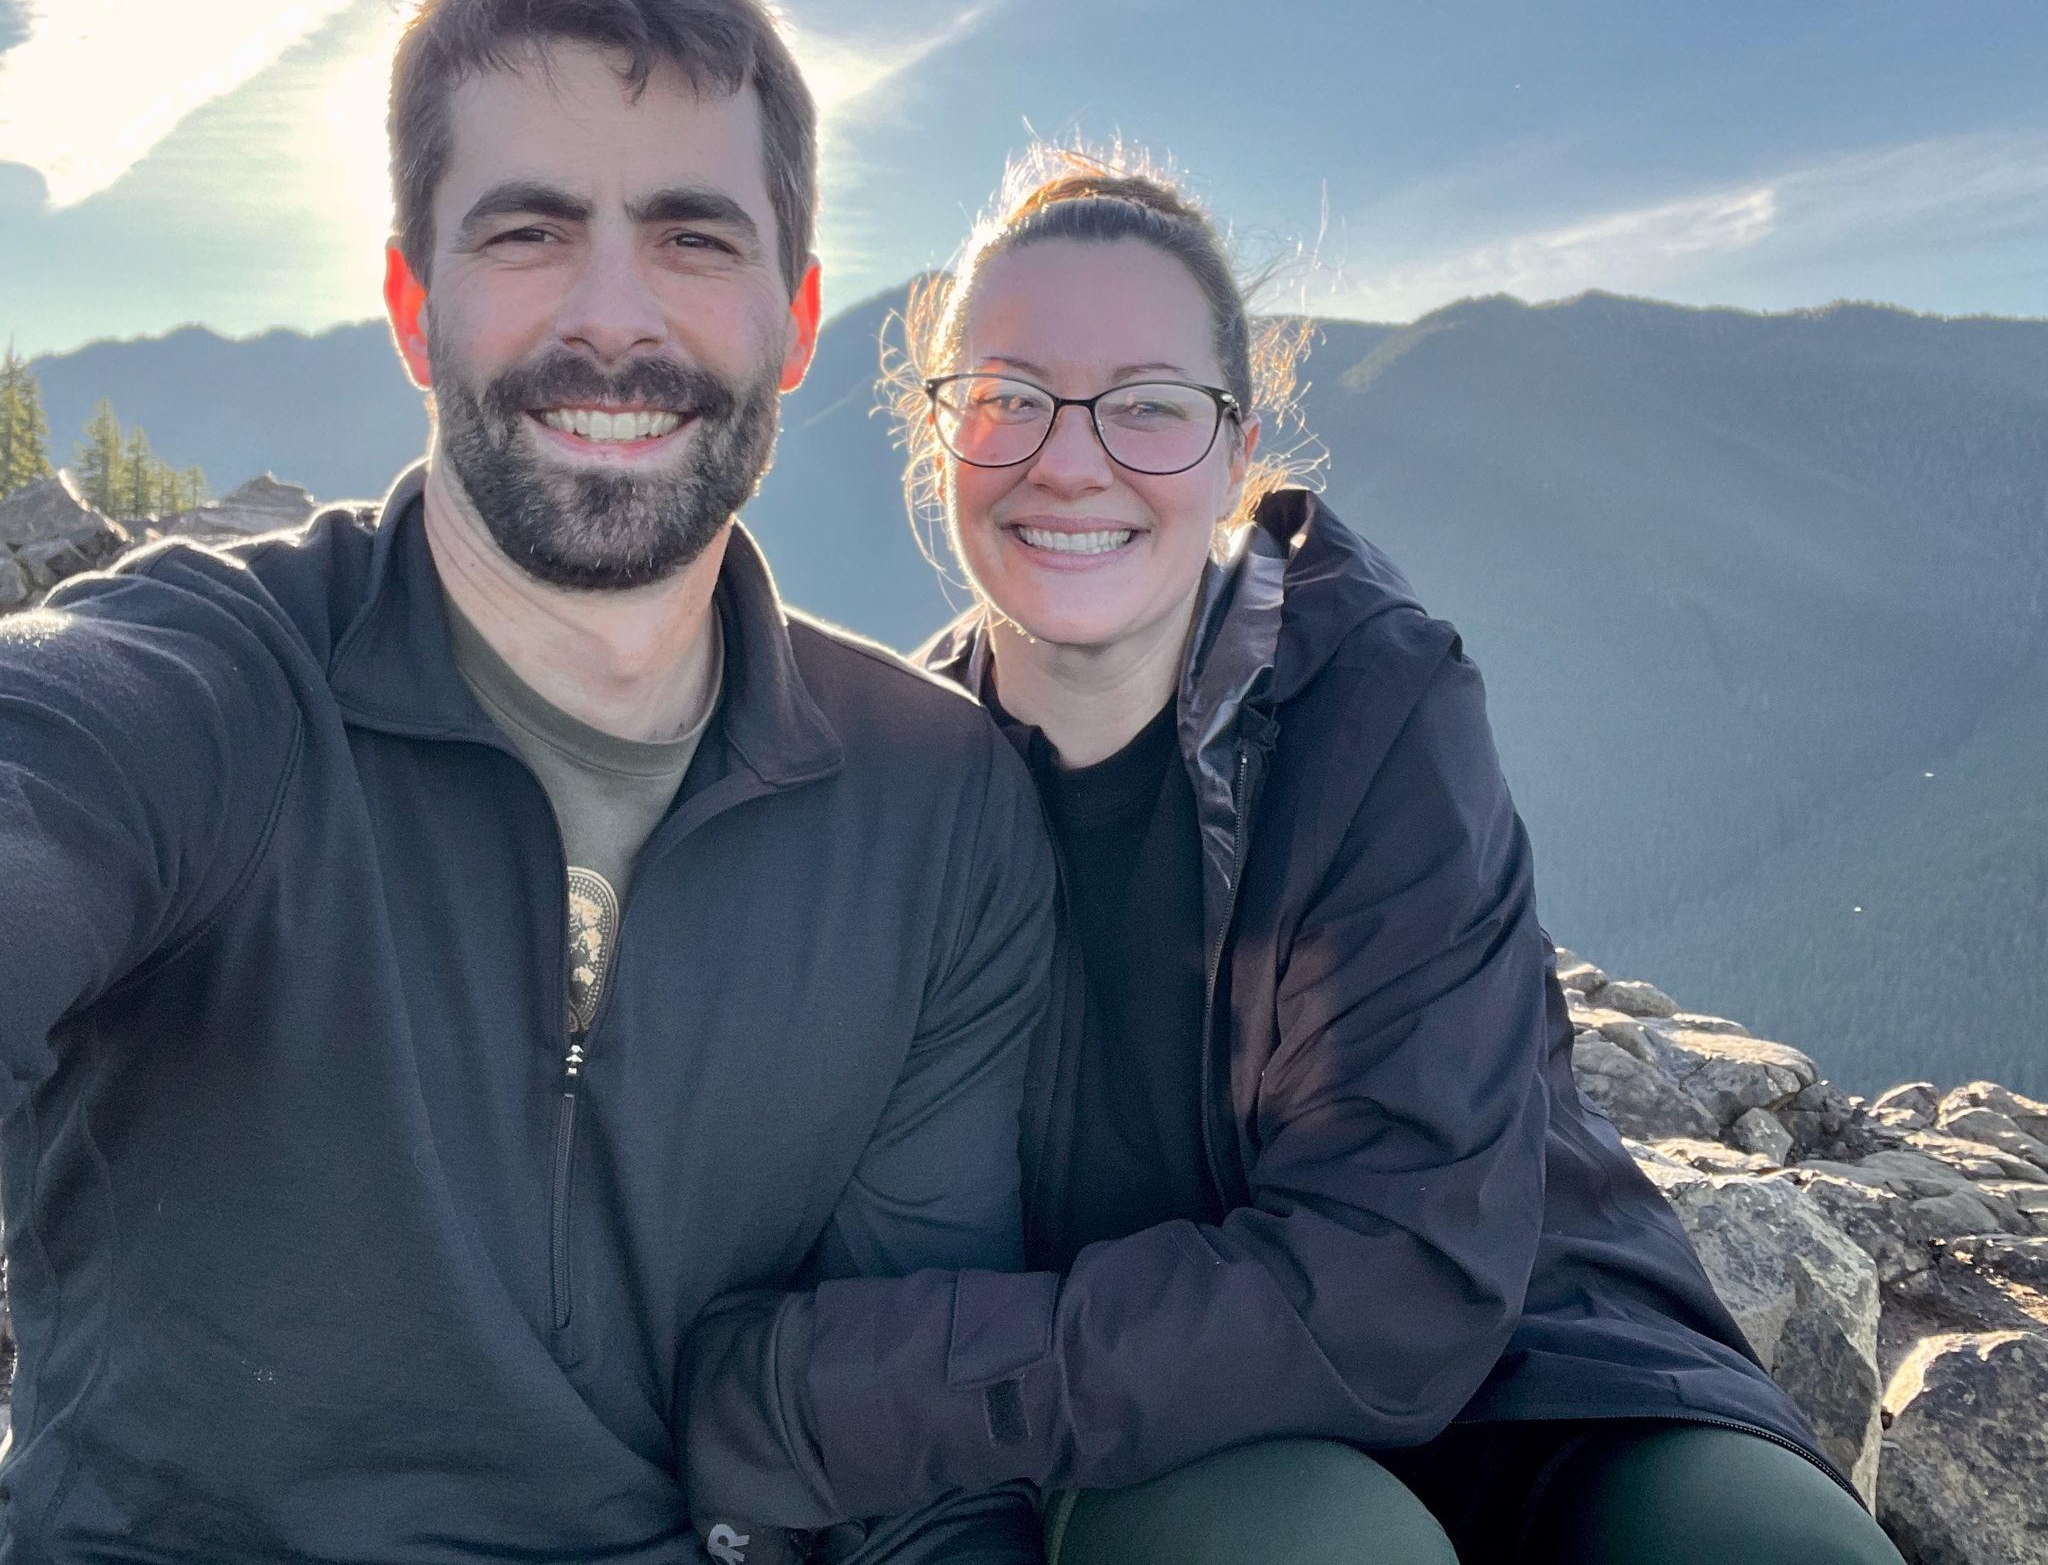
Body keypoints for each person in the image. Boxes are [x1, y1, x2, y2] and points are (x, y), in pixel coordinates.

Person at [682, 151, 1904, 1564]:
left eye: (1146, 407)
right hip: (1163, 1432)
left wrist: (816, 1393)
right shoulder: (889, 795)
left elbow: (1401, 1276)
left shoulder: (1373, 703)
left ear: (1234, 450)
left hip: (1539, 1370)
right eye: (1009, 397)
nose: (1067, 457)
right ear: (937, 432)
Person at [0, 0, 1053, 1564]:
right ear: (416, 308)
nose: (614, 318)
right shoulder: (215, 687)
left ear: (796, 318)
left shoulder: (931, 804)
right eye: (530, 232)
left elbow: (911, 1439)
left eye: (695, 237)